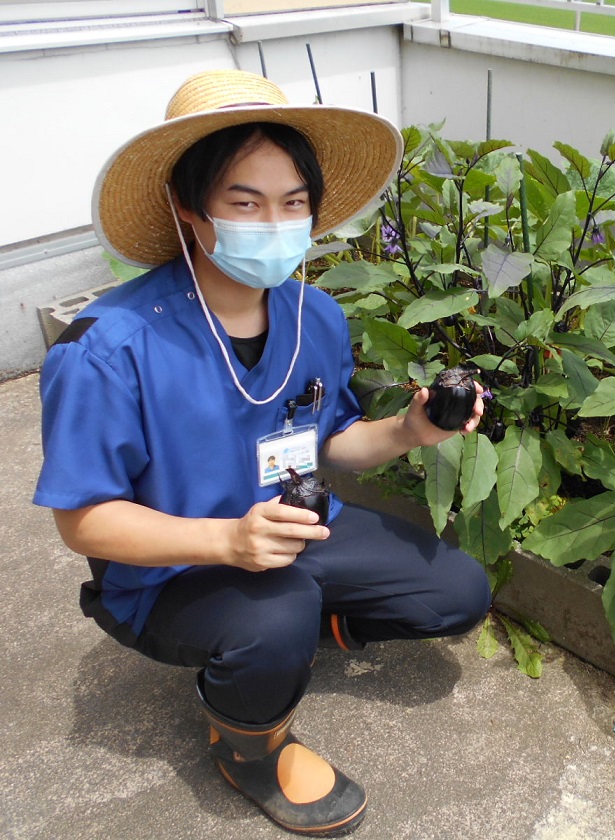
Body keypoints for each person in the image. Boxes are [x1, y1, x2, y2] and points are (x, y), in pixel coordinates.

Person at [33, 69, 492, 836]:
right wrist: (227, 541)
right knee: (275, 615)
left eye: (293, 202)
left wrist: (414, 430)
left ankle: (299, 632)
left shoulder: (314, 313)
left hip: (294, 526)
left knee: (457, 591)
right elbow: (84, 522)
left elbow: (333, 441)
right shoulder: (107, 348)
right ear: (189, 208)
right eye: (244, 202)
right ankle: (251, 746)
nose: (273, 221)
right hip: (170, 571)